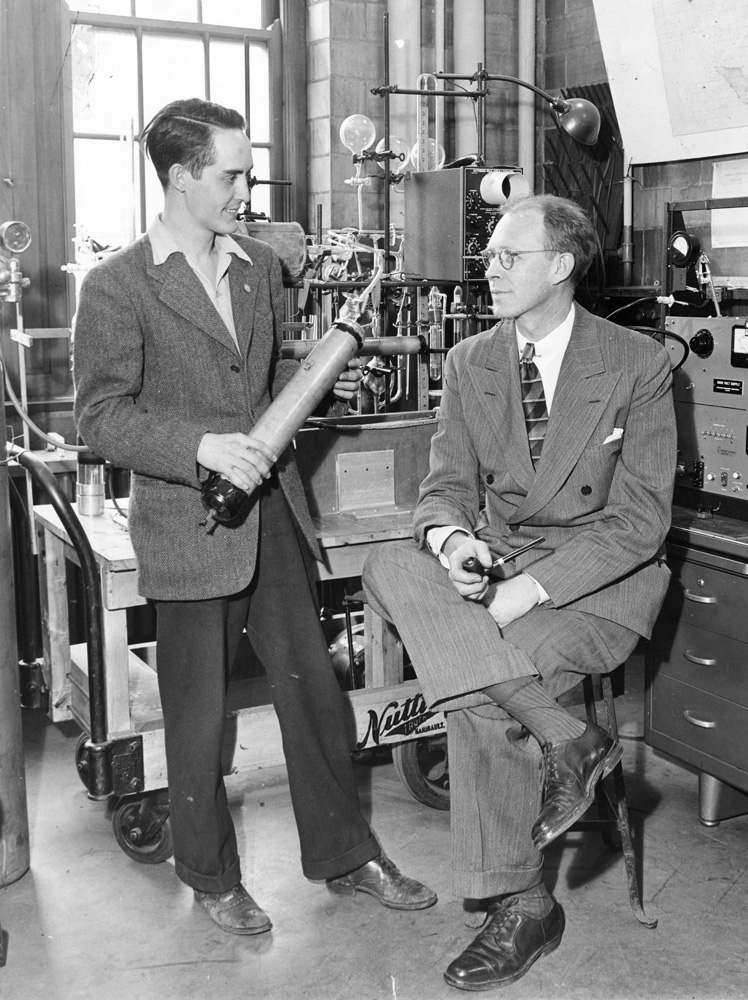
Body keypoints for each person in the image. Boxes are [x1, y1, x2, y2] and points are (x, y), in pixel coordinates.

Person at [72, 97, 436, 936]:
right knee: (196, 715)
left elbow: (262, 378)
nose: (246, 187)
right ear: (179, 176)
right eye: (230, 173)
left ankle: (347, 856)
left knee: (315, 692)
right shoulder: (119, 285)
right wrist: (202, 446)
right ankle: (209, 874)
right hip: (189, 522)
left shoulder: (256, 268)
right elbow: (101, 417)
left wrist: (314, 389)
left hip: (274, 515)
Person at [362, 194, 676, 991]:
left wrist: (526, 591)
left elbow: (639, 522)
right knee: (389, 564)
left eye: (509, 256)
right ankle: (564, 735)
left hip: (595, 580)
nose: (489, 269)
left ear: (561, 267)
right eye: (489, 257)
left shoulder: (636, 364)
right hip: (498, 562)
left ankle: (525, 902)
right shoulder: (472, 361)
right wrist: (454, 541)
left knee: (477, 698)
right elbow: (442, 489)